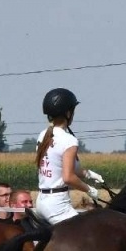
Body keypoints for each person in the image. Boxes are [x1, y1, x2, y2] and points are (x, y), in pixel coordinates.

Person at [34, 88, 105, 225]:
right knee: (88, 233)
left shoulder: (43, 135)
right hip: (57, 205)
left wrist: (89, 174)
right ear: (68, 113)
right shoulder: (69, 140)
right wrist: (89, 190)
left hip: (42, 201)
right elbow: (68, 177)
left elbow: (61, 167)